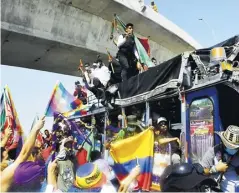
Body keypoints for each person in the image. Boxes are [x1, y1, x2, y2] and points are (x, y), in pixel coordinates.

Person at [1, 116, 45, 192]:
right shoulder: (3, 178)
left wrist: (6, 138)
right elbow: (24, 154)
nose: (5, 150)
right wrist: (36, 129)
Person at [200, 125, 239, 192]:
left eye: (235, 148)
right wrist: (214, 169)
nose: (232, 149)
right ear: (223, 142)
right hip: (212, 183)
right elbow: (201, 172)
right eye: (228, 146)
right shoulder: (212, 153)